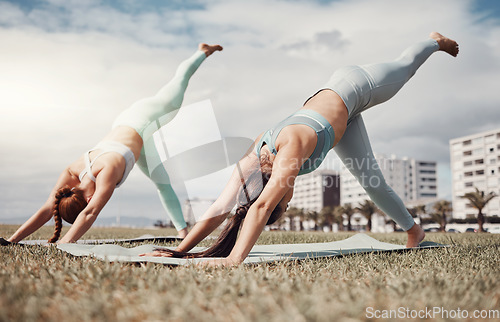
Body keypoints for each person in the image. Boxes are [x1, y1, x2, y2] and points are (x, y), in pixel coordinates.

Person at [141, 32, 459, 266]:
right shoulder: (254, 159)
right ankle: (413, 230)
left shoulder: (288, 152)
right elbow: (217, 210)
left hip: (358, 85)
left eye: (285, 205)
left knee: (407, 66)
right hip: (346, 118)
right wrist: (180, 251)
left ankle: (433, 41)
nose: (288, 204)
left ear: (278, 194)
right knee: (371, 181)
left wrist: (233, 259)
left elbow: (261, 207)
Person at [5, 43, 223, 244]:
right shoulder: (71, 175)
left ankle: (201, 52)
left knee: (178, 83)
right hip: (128, 129)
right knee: (162, 182)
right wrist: (11, 241)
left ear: (89, 199)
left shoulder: (106, 171)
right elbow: (47, 208)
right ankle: (183, 232)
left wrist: (65, 243)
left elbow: (90, 213)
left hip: (146, 116)